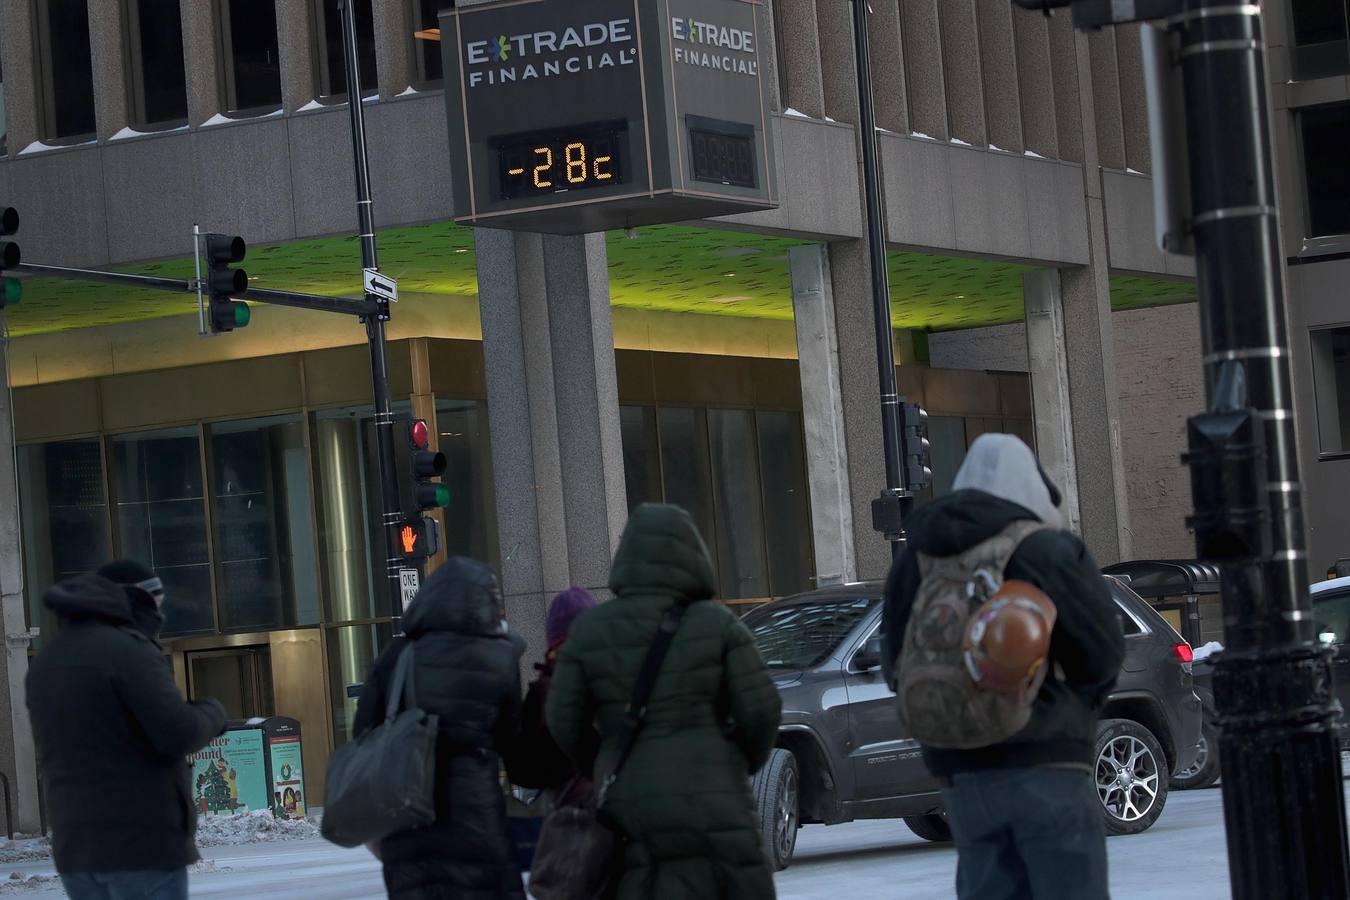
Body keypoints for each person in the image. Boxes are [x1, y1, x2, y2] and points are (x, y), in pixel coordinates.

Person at [881, 434, 1126, 900]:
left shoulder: (917, 557)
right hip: (1048, 757)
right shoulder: (1048, 549)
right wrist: (1073, 711)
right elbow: (1102, 650)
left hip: (960, 768)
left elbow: (895, 658)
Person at [547, 503, 782, 900]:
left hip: (629, 799)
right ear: (693, 555)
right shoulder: (717, 624)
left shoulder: (590, 631)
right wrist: (737, 759)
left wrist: (602, 759)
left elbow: (562, 718)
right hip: (715, 792)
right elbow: (761, 708)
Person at [26, 560, 227, 900]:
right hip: (140, 843)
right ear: (140, 601)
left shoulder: (48, 661)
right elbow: (176, 732)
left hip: (76, 847)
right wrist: (213, 713)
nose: (160, 617)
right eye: (157, 605)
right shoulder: (129, 651)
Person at [352, 557, 525, 900]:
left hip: (408, 819)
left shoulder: (397, 656)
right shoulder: (499, 661)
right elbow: (517, 754)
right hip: (477, 817)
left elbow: (363, 734)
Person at [504, 586, 599, 802]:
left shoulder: (541, 691)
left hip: (562, 816)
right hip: (611, 814)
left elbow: (521, 771)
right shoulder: (612, 677)